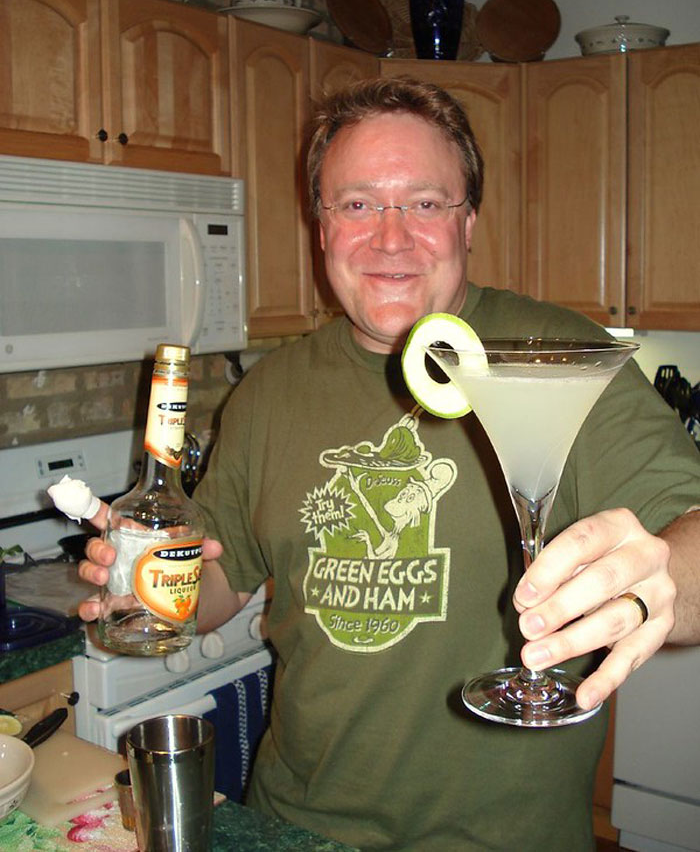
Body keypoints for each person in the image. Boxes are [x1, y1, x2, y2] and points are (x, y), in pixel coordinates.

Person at [79, 76, 700, 851]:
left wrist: (662, 579)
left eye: (425, 202)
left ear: (469, 221)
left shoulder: (555, 357)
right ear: (321, 228)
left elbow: (692, 535)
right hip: (294, 826)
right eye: (358, 204)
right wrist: (144, 578)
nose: (391, 237)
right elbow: (218, 585)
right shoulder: (268, 393)